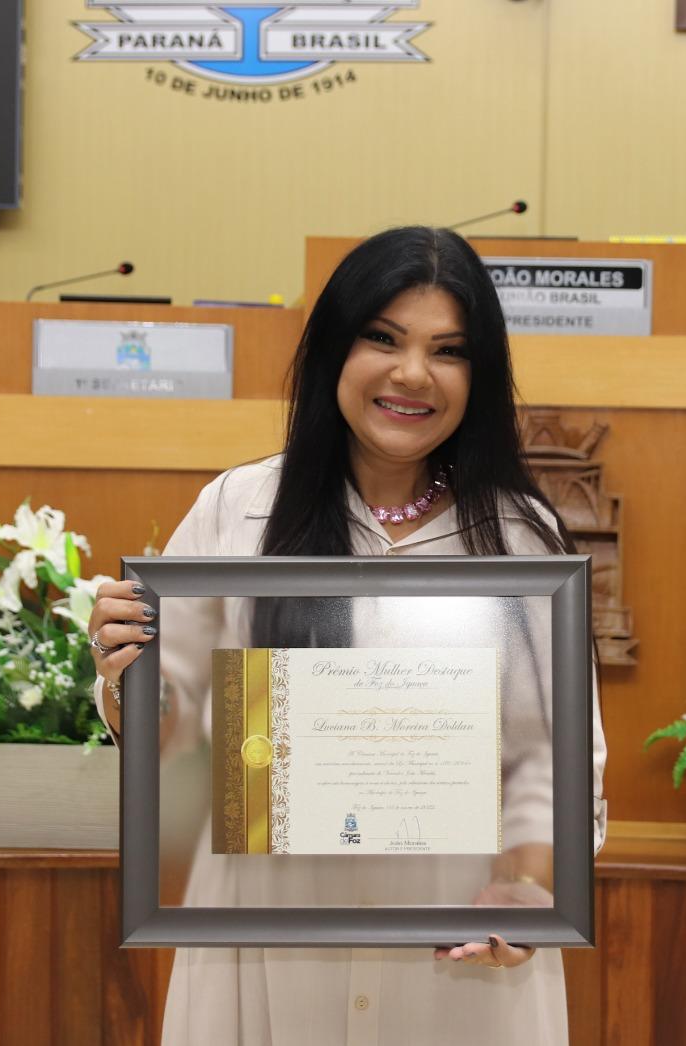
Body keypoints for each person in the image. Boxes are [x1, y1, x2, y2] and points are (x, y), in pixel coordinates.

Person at [86, 226, 609, 1045]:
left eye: (449, 350)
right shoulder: (239, 510)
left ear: (481, 374)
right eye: (384, 338)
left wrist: (534, 892)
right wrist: (124, 673)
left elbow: (558, 758)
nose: (412, 374)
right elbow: (175, 746)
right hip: (266, 940)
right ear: (336, 347)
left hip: (458, 951)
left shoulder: (522, 539)